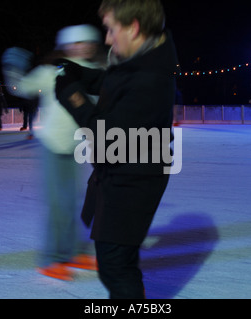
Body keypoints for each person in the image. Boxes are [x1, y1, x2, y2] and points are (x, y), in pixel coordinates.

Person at [54, 0, 178, 299]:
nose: (107, 39)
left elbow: (105, 135)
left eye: (111, 30)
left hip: (134, 176)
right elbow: (112, 81)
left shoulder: (149, 77)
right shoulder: (142, 58)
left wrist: (71, 95)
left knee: (114, 264)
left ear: (133, 27)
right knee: (118, 258)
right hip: (129, 168)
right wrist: (77, 73)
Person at [2, 24, 103, 281]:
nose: (82, 47)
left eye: (87, 42)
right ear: (67, 46)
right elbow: (21, 88)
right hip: (51, 144)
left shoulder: (94, 72)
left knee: (72, 202)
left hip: (76, 145)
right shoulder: (52, 71)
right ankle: (51, 259)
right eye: (76, 43)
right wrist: (13, 67)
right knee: (58, 205)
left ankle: (74, 252)